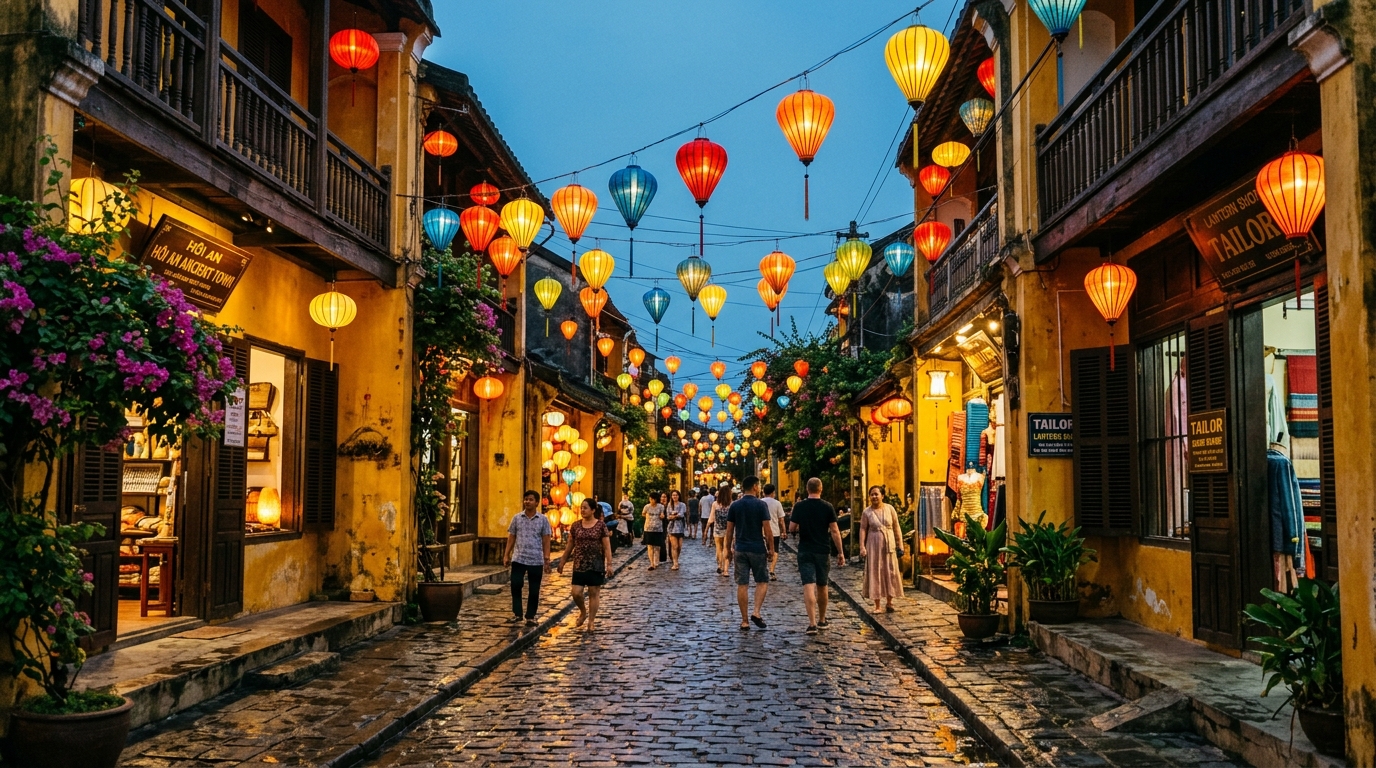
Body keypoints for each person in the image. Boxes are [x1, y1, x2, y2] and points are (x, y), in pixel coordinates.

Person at [789, 477, 846, 634]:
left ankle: (812, 624)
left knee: (808, 584)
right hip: (822, 550)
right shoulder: (827, 507)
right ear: (821, 489)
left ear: (807, 489)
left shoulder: (799, 506)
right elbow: (834, 530)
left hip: (805, 550)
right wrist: (840, 552)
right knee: (822, 585)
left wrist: (797, 529)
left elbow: (792, 527)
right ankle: (822, 619)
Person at [558, 498, 614, 632]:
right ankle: (583, 611)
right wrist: (562, 561)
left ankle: (591, 621)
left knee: (593, 592)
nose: (582, 510)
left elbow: (606, 546)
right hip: (579, 564)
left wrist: (609, 564)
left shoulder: (601, 526)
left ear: (593, 510)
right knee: (576, 593)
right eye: (581, 508)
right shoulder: (576, 526)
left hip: (596, 564)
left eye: (585, 508)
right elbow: (570, 544)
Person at [725, 476, 773, 630]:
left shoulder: (735, 506)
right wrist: (771, 548)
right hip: (757, 548)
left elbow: (729, 530)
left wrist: (727, 549)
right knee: (762, 581)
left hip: (740, 548)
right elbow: (767, 529)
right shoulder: (761, 505)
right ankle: (756, 612)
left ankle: (744, 620)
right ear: (754, 486)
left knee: (742, 584)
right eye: (758, 485)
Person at [504, 490, 552, 626]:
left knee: (534, 589)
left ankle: (530, 616)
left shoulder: (543, 520)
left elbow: (546, 539)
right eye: (526, 499)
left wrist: (546, 558)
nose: (527, 502)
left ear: (537, 502)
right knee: (515, 585)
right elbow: (511, 537)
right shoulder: (517, 518)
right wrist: (506, 554)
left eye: (531, 499)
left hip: (536, 559)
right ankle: (517, 613)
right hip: (519, 558)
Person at [860, 485, 905, 612]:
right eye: (872, 494)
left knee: (890, 570)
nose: (874, 496)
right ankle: (877, 605)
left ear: (882, 496)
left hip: (889, 544)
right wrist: (862, 547)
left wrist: (899, 544)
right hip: (874, 544)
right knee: (875, 571)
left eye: (876, 494)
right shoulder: (867, 512)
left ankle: (890, 602)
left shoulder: (890, 509)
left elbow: (896, 527)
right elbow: (863, 529)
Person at [706, 485, 734, 575]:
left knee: (719, 548)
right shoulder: (732, 504)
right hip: (728, 530)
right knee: (727, 548)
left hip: (717, 529)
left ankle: (720, 566)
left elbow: (711, 518)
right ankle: (726, 570)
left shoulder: (715, 504)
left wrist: (706, 530)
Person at [761, 483, 786, 578]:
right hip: (774, 531)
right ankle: (771, 569)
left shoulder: (760, 502)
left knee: (763, 551)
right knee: (775, 550)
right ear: (773, 492)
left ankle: (764, 569)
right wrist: (784, 531)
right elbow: (781, 520)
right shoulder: (777, 503)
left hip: (762, 532)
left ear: (764, 492)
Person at [641, 491, 666, 570]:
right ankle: (651, 563)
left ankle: (656, 561)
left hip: (658, 529)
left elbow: (662, 515)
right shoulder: (647, 507)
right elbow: (643, 514)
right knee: (650, 546)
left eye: (653, 499)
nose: (651, 500)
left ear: (656, 499)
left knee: (657, 546)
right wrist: (648, 518)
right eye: (650, 499)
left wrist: (662, 516)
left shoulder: (660, 506)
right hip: (648, 528)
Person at [665, 489, 688, 570]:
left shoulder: (682, 505)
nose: (675, 496)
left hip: (680, 527)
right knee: (675, 546)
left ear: (679, 496)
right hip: (672, 527)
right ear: (671, 496)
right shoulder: (669, 505)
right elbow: (668, 516)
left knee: (679, 547)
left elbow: (681, 514)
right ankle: (675, 563)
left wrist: (673, 516)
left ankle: (676, 559)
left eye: (676, 495)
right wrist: (673, 516)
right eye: (673, 495)